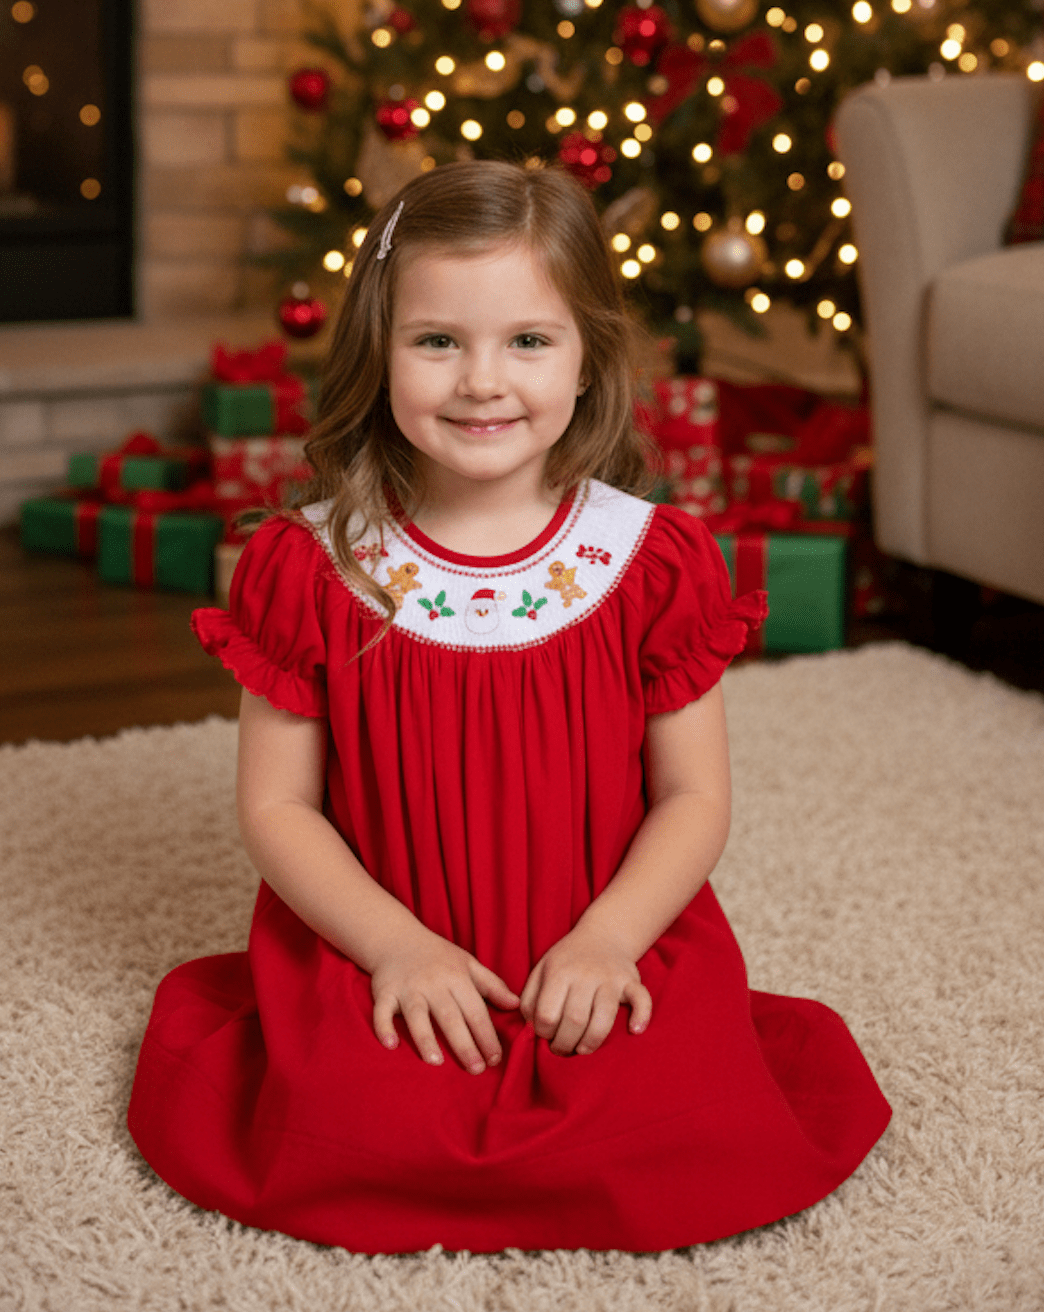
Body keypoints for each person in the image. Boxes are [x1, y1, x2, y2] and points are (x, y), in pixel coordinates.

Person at [128, 160, 891, 1255]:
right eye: (437, 341)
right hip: (379, 949)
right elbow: (277, 811)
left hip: (600, 941)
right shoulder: (312, 566)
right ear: (378, 350)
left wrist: (610, 938)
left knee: (689, 1125)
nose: (483, 379)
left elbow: (694, 795)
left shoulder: (651, 559)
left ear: (588, 360)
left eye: (528, 341)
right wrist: (394, 948)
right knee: (345, 1127)